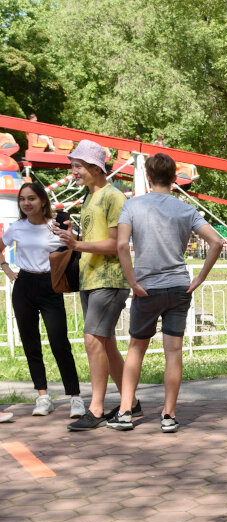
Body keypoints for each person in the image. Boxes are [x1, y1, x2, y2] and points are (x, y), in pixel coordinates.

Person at [107, 154, 224, 433]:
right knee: (173, 353)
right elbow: (217, 242)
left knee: (137, 349)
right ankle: (168, 416)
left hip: (147, 289)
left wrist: (133, 282)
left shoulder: (132, 205)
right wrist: (200, 277)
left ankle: (125, 412)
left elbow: (122, 245)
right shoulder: (185, 210)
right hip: (178, 287)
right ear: (174, 178)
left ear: (148, 176)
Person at [54, 141, 133, 430]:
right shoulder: (89, 198)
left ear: (96, 167)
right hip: (91, 279)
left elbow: (116, 244)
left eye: (78, 165)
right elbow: (93, 239)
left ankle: (96, 409)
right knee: (106, 344)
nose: (73, 171)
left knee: (92, 341)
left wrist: (77, 243)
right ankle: (130, 402)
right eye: (73, 165)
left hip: (110, 279)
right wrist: (69, 235)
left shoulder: (113, 196)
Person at [0, 181, 84, 418]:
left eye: (31, 199)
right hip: (24, 285)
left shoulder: (55, 226)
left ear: (43, 201)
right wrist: (7, 269)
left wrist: (69, 236)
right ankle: (42, 396)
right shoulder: (16, 227)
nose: (26, 203)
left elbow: (78, 246)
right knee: (30, 343)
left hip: (51, 285)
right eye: (22, 199)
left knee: (59, 342)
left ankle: (75, 398)